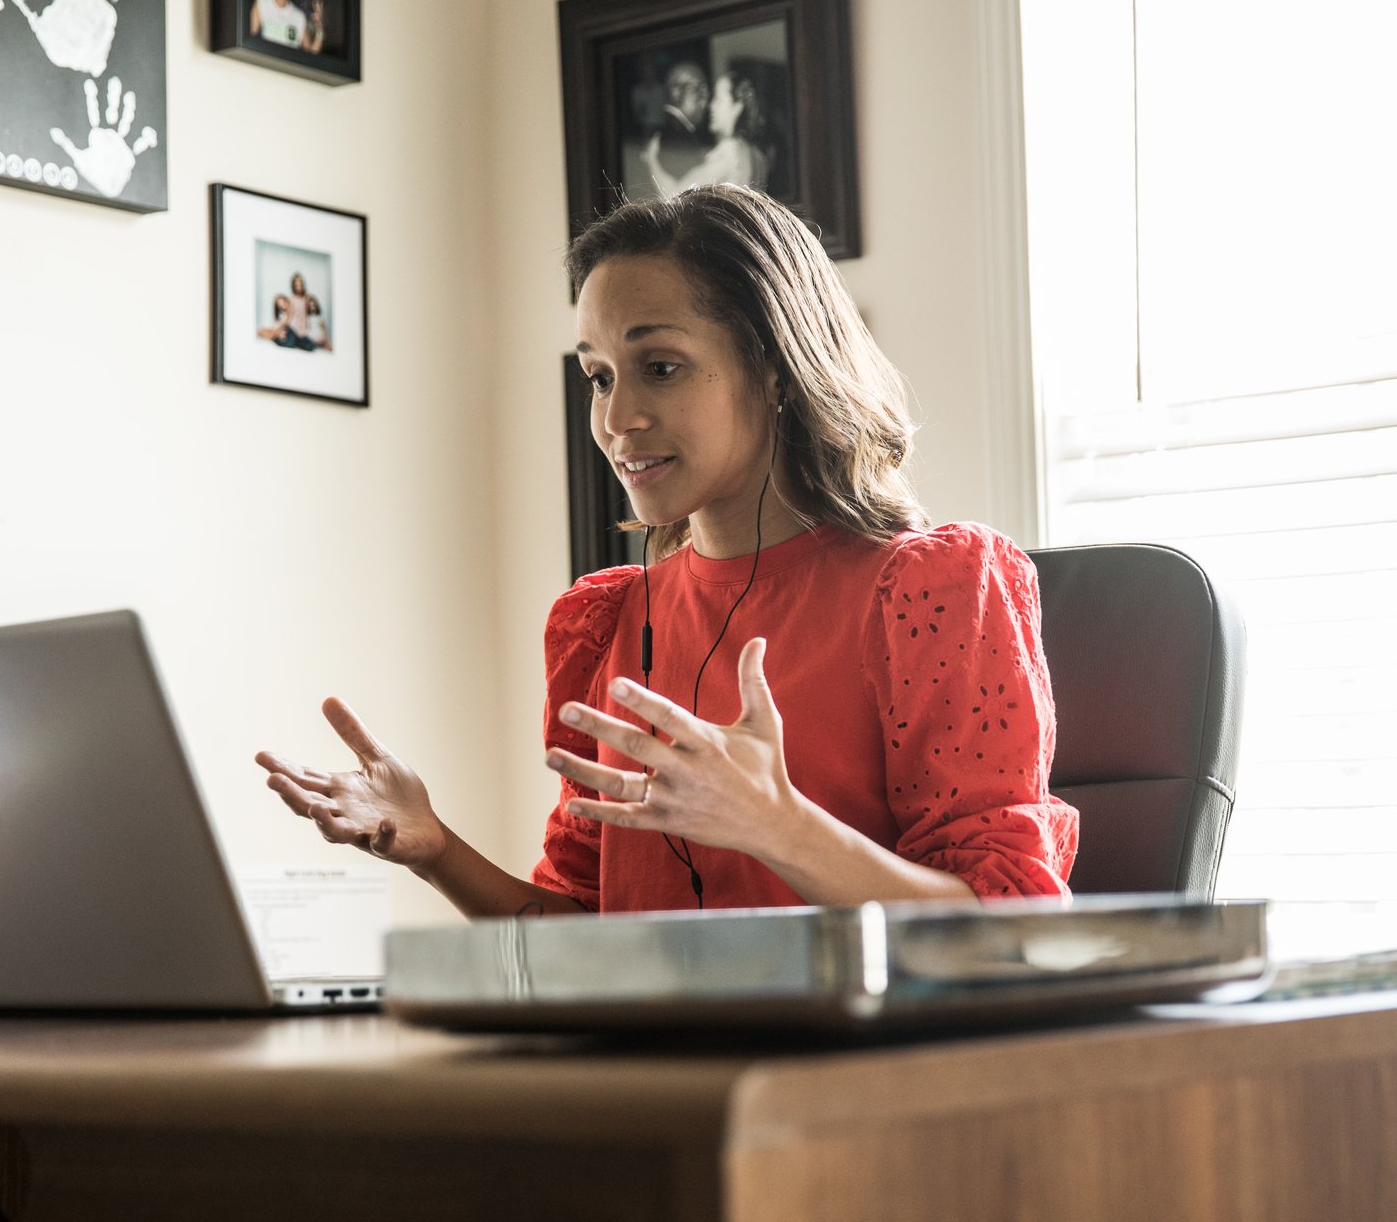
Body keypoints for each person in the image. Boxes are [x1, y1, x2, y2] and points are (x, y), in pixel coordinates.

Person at [257, 184, 1079, 916]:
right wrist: (435, 848)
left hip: (855, 1043)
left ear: (776, 368)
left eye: (659, 367)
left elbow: (1006, 925)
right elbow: (587, 936)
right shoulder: (603, 621)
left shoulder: (930, 588)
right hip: (654, 1045)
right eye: (599, 377)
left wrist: (779, 826)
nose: (617, 420)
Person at [644, 73, 769, 197]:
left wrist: (651, 159)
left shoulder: (730, 151)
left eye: (718, 99)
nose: (711, 106)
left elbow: (675, 196)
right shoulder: (755, 153)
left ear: (737, 107)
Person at [250, 0, 324, 53]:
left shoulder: (299, 16)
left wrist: (320, 29)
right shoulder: (261, 2)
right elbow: (251, 40)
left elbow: (311, 53)